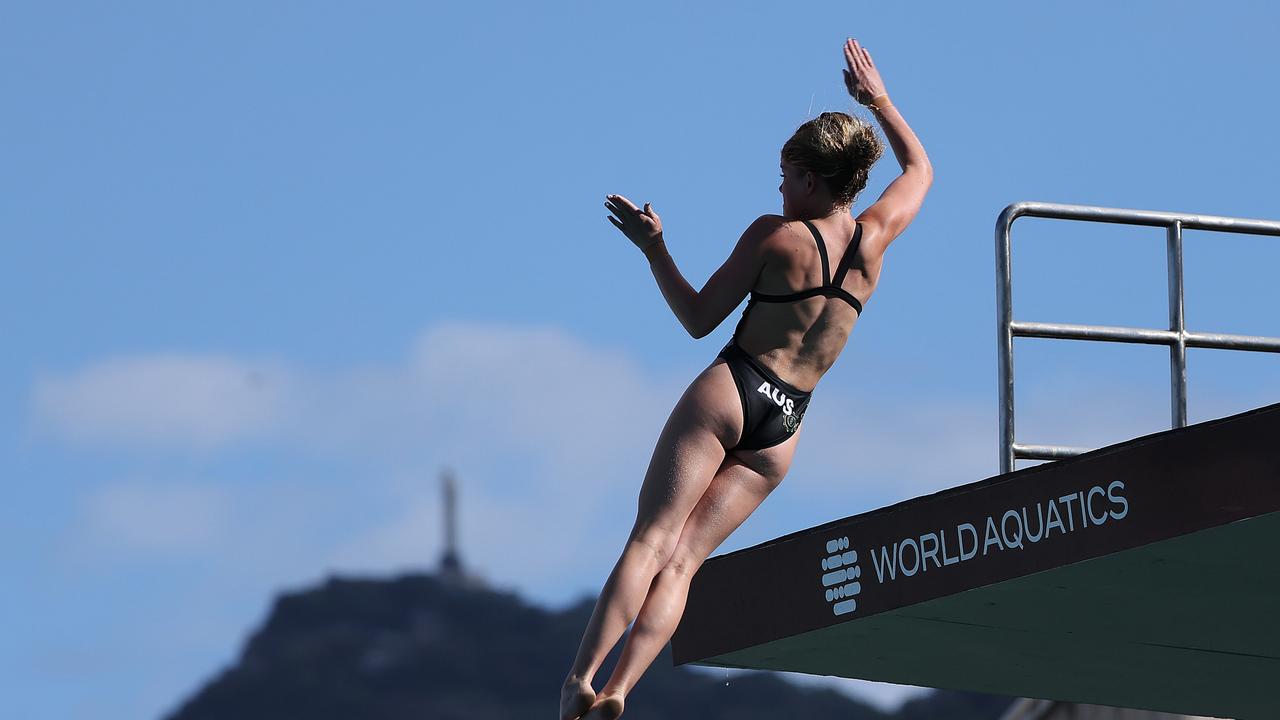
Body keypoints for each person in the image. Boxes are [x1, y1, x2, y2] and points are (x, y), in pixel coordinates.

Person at [561, 37, 932, 720]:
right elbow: (921, 168)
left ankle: (579, 681)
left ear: (812, 181)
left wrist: (655, 250)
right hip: (784, 428)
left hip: (734, 389)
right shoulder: (875, 241)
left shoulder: (777, 236)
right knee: (684, 565)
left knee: (650, 539)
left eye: (786, 175)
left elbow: (699, 317)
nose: (780, 188)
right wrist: (879, 100)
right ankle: (620, 692)